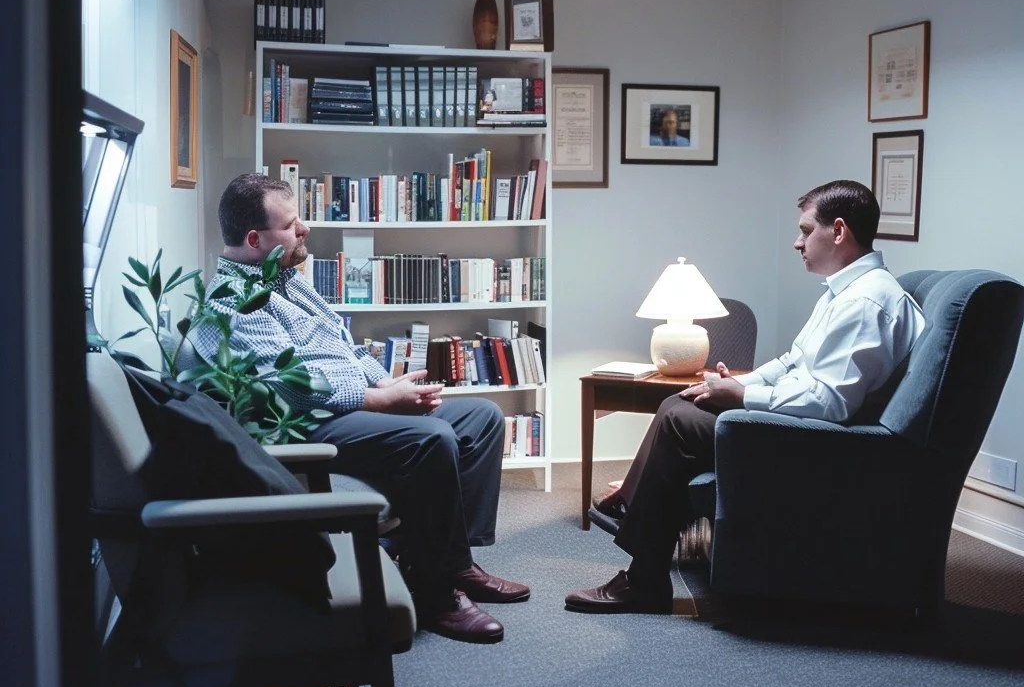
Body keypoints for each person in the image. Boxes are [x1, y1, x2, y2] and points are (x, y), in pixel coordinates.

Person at [192, 173, 529, 644]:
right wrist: (380, 400)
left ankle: (454, 563)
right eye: (291, 225)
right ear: (255, 239)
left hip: (348, 410)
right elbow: (290, 388)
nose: (304, 229)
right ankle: (436, 593)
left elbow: (346, 348)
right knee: (432, 437)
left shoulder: (288, 279)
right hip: (303, 427)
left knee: (482, 418)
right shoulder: (232, 303)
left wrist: (388, 382)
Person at [566, 179, 926, 614]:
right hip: (811, 422)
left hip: (831, 442)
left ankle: (641, 564)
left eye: (806, 230)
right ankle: (633, 509)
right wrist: (737, 386)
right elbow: (794, 360)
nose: (797, 242)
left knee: (680, 421)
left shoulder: (866, 303)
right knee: (681, 401)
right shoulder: (844, 292)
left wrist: (742, 398)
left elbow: (832, 404)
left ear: (839, 231)